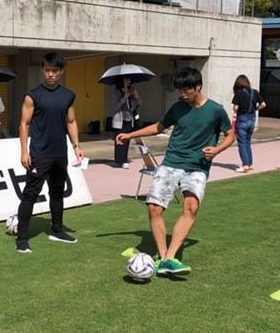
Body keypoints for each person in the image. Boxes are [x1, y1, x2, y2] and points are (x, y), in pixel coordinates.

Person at [116, 67, 235, 276]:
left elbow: (230, 135)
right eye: (179, 90)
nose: (182, 94)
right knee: (154, 207)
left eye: (186, 90)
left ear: (198, 87)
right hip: (171, 162)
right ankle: (165, 258)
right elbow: (158, 127)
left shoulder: (216, 110)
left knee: (191, 207)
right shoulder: (178, 107)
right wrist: (129, 134)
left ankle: (169, 257)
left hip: (197, 166)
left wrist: (216, 150)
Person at [15, 52, 84, 254]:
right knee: (30, 195)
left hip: (60, 155)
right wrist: (24, 151)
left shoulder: (68, 95)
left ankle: (57, 231)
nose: (50, 74)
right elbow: (23, 124)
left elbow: (71, 122)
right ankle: (22, 239)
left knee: (56, 194)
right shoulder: (33, 95)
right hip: (39, 154)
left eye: (54, 70)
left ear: (61, 72)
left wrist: (76, 146)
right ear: (42, 70)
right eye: (47, 70)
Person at [231, 74, 265, 173]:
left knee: (241, 143)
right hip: (252, 118)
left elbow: (236, 108)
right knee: (248, 142)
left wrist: (235, 109)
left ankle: (245, 165)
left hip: (242, 118)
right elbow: (263, 104)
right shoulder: (255, 92)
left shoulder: (239, 93)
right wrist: (255, 109)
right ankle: (250, 164)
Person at [111, 76, 142, 169]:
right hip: (120, 120)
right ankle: (119, 160)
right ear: (122, 81)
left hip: (129, 119)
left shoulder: (131, 90)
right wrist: (124, 98)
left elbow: (140, 103)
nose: (128, 82)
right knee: (119, 140)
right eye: (126, 80)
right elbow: (115, 106)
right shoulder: (117, 92)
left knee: (127, 140)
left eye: (129, 80)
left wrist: (136, 95)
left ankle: (124, 160)